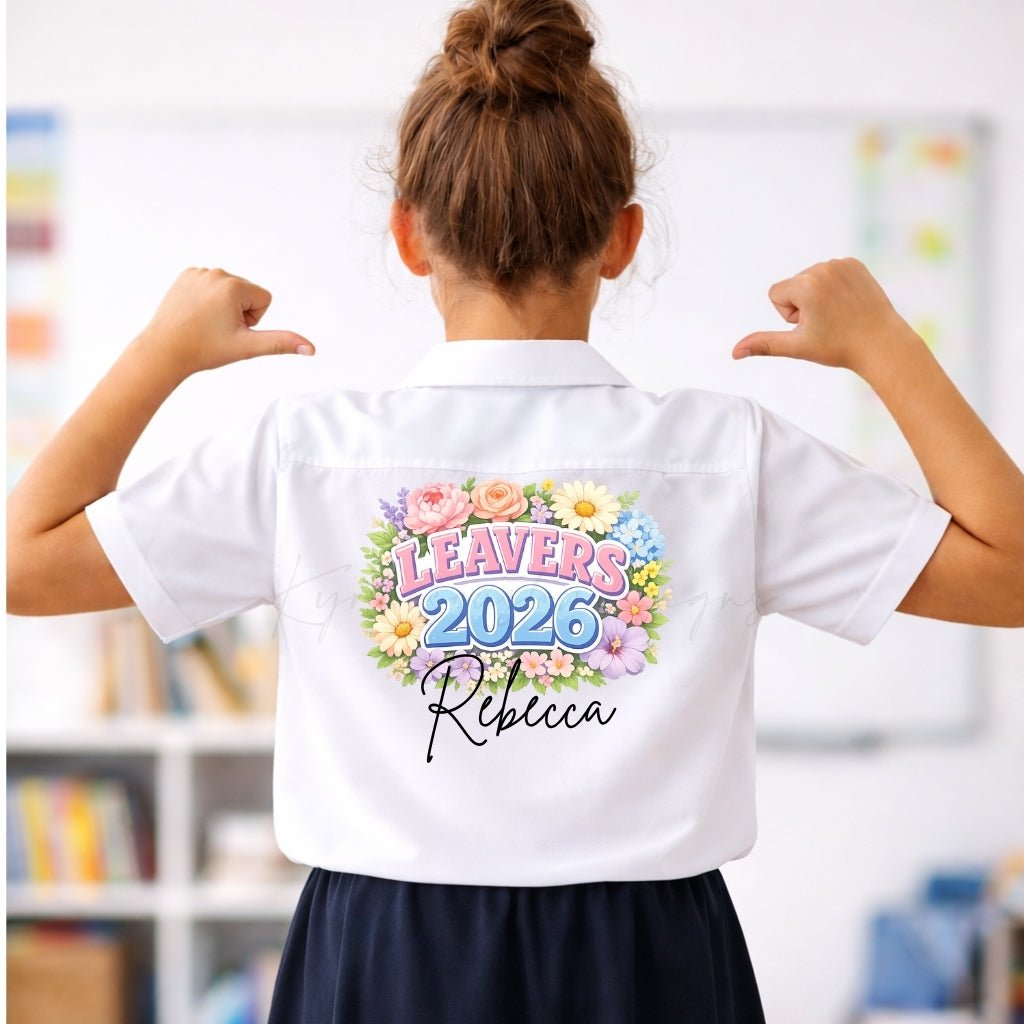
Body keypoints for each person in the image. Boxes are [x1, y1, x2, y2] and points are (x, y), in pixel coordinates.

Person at [7, 0, 1024, 1020]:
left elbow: (24, 563)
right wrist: (882, 339)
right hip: (646, 957)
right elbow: (1009, 570)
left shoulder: (306, 453)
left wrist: (161, 353)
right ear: (622, 237)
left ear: (408, 235)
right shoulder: (725, 454)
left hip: (382, 954)